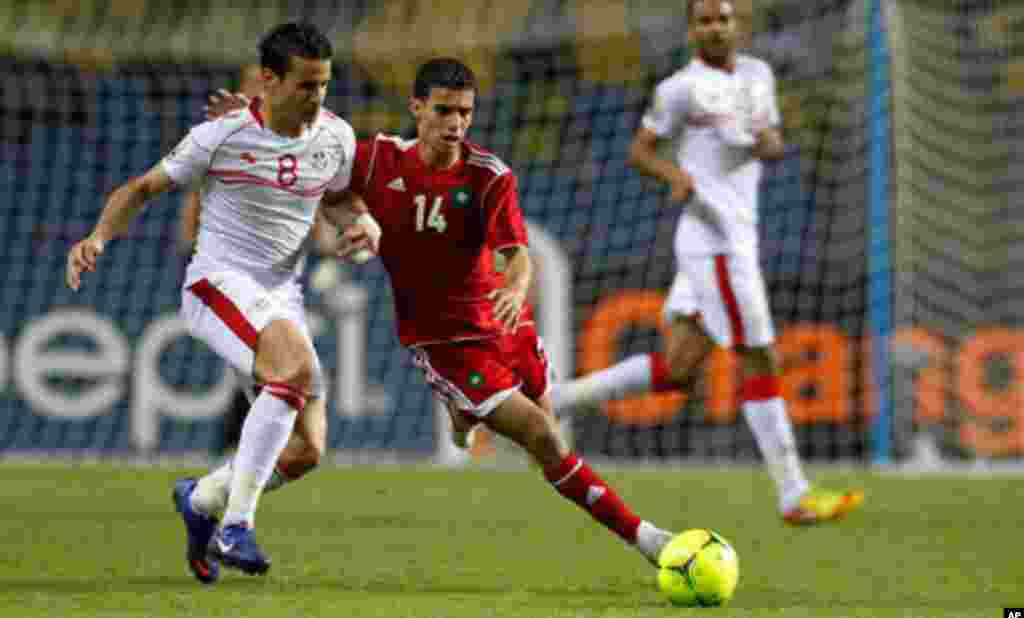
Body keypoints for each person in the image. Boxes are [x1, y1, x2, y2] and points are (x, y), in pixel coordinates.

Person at [333, 57, 678, 567]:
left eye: (465, 113)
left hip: (501, 323)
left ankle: (463, 410)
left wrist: (516, 291)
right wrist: (358, 220)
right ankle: (649, 540)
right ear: (417, 108)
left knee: (549, 414)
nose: (455, 124)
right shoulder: (378, 159)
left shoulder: (488, 176)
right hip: (444, 342)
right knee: (544, 437)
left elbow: (518, 256)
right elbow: (330, 192)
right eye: (444, 110)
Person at [66, 22, 379, 583]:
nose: (318, 97)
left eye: (325, 85)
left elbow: (337, 198)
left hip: (283, 294)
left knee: (308, 450)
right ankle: (236, 525)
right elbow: (140, 189)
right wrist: (97, 238)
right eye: (306, 85)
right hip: (218, 284)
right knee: (294, 372)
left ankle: (202, 499)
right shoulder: (221, 136)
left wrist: (363, 223)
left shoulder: (336, 136)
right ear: (269, 81)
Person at [550, 0, 863, 525]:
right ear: (692, 30)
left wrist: (769, 142)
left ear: (736, 25)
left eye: (724, 18)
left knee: (677, 369)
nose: (716, 28)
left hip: (738, 235)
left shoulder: (759, 76)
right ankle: (794, 494)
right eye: (706, 20)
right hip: (713, 240)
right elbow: (640, 150)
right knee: (759, 356)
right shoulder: (679, 88)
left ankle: (557, 399)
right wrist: (674, 177)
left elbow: (773, 144)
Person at [178, 63, 265, 455]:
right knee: (261, 358)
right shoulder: (220, 139)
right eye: (254, 84)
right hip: (228, 265)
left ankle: (235, 442)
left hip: (268, 266)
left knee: (261, 360)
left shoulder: (290, 136)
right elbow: (194, 196)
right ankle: (238, 442)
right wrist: (190, 245)